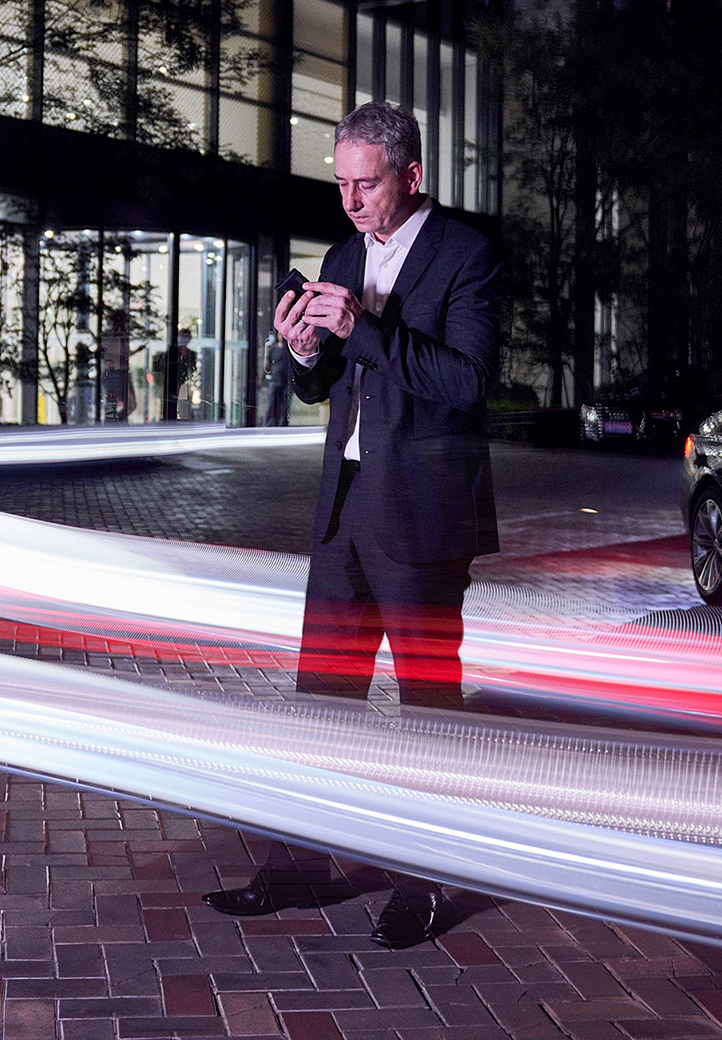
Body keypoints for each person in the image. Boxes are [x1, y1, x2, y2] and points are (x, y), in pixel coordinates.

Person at [202, 100, 501, 949]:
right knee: (320, 702)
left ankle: (428, 883)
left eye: (365, 185)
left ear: (411, 177)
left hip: (423, 515)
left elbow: (469, 381)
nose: (351, 201)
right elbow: (321, 384)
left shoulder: (466, 255)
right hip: (343, 508)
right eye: (340, 184)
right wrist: (301, 348)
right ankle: (297, 869)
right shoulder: (340, 253)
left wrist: (362, 328)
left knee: (426, 708)